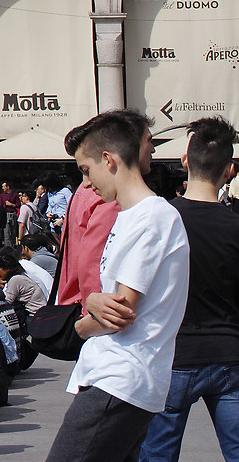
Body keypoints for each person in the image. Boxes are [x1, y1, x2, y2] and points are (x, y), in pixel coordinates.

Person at [49, 108, 193, 462]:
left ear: (108, 159)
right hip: (119, 376)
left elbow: (120, 311)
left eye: (86, 170)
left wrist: (84, 323)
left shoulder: (151, 216)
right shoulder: (132, 215)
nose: (85, 183)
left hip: (121, 376)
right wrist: (97, 300)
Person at [139, 114, 239, 462]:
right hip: (229, 354)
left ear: (185, 161)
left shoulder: (161, 220)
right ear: (230, 169)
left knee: (157, 455)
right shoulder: (234, 224)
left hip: (173, 355)